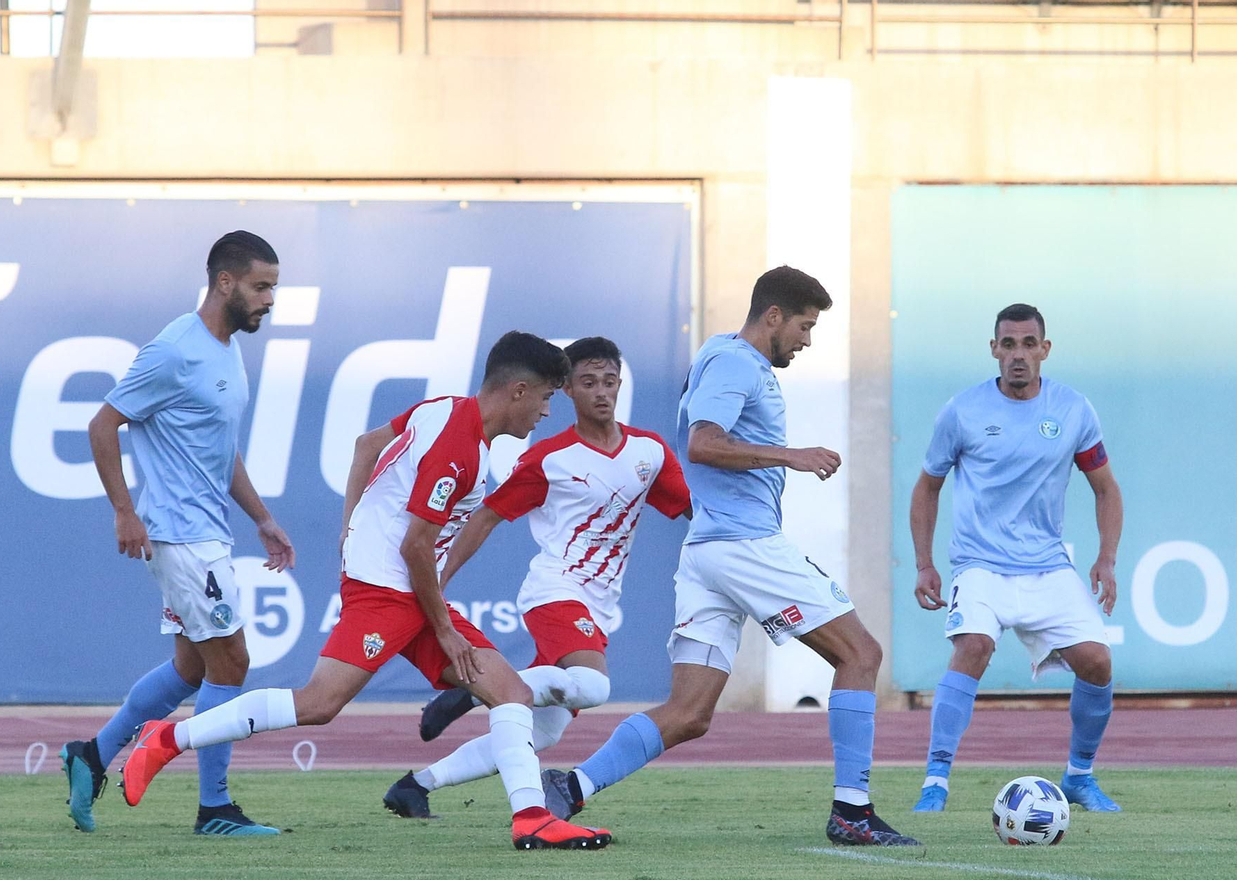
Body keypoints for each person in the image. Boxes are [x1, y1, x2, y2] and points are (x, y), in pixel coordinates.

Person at [120, 332, 614, 851]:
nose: (544, 412)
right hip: (388, 589)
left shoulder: (442, 408)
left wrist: (350, 523)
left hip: (405, 588)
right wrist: (445, 630)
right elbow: (416, 547)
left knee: (508, 692)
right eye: (545, 398)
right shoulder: (460, 451)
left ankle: (531, 817)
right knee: (318, 703)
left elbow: (366, 445)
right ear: (517, 391)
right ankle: (168, 737)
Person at [539, 266, 921, 847]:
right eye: (804, 326)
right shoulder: (736, 362)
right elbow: (702, 442)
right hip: (743, 546)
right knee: (861, 654)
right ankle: (853, 810)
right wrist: (789, 455)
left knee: (690, 712)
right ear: (773, 316)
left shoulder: (725, 356)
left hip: (708, 554)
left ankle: (572, 786)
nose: (807, 339)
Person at [382, 336, 691, 819]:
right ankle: (474, 687)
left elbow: (694, 508)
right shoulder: (549, 458)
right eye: (588, 382)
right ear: (566, 389)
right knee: (593, 688)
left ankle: (417, 785)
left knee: (543, 732)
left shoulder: (649, 452)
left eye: (610, 381)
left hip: (599, 605)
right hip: (556, 591)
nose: (602, 393)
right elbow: (484, 517)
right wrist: (438, 583)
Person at [60, 230, 296, 836]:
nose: (270, 299)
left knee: (192, 668)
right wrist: (123, 511)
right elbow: (102, 424)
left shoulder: (225, 349)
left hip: (206, 530)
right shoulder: (174, 349)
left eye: (273, 286)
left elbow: (220, 448)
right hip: (181, 535)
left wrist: (262, 517)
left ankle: (92, 754)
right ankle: (214, 808)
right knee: (232, 663)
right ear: (225, 282)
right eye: (261, 286)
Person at [908, 303, 1125, 813]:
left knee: (1097, 663)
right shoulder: (962, 412)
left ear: (1045, 350)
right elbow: (926, 488)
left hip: (1047, 566)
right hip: (980, 565)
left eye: (1029, 344)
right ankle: (935, 783)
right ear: (994, 350)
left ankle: (1079, 776)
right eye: (1008, 345)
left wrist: (1106, 558)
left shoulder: (1073, 411)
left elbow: (1106, 489)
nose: (1019, 355)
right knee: (973, 646)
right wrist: (924, 562)